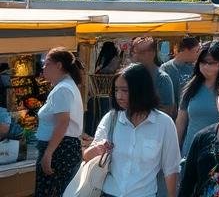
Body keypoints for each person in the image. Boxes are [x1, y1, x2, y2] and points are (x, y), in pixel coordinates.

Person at [84, 63, 181, 197]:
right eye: (116, 90)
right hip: (109, 192)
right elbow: (87, 156)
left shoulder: (164, 124)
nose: (119, 96)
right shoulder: (111, 119)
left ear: (141, 90)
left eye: (125, 90)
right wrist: (98, 149)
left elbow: (171, 169)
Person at [34, 48, 83, 197]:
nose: (43, 68)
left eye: (47, 63)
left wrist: (48, 153)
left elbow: (63, 123)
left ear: (59, 65)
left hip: (60, 151)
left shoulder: (63, 89)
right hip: (62, 149)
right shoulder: (65, 87)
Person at [176, 40, 219, 147]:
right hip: (190, 151)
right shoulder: (190, 87)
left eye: (210, 62)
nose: (205, 66)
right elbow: (181, 122)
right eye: (202, 62)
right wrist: (175, 149)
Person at [132, 36, 180, 116]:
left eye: (141, 52)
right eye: (134, 52)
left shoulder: (162, 78)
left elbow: (168, 110)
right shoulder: (131, 76)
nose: (136, 56)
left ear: (153, 53)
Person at [162, 37, 201, 111]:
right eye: (196, 51)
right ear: (186, 50)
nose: (197, 55)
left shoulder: (197, 68)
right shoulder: (166, 69)